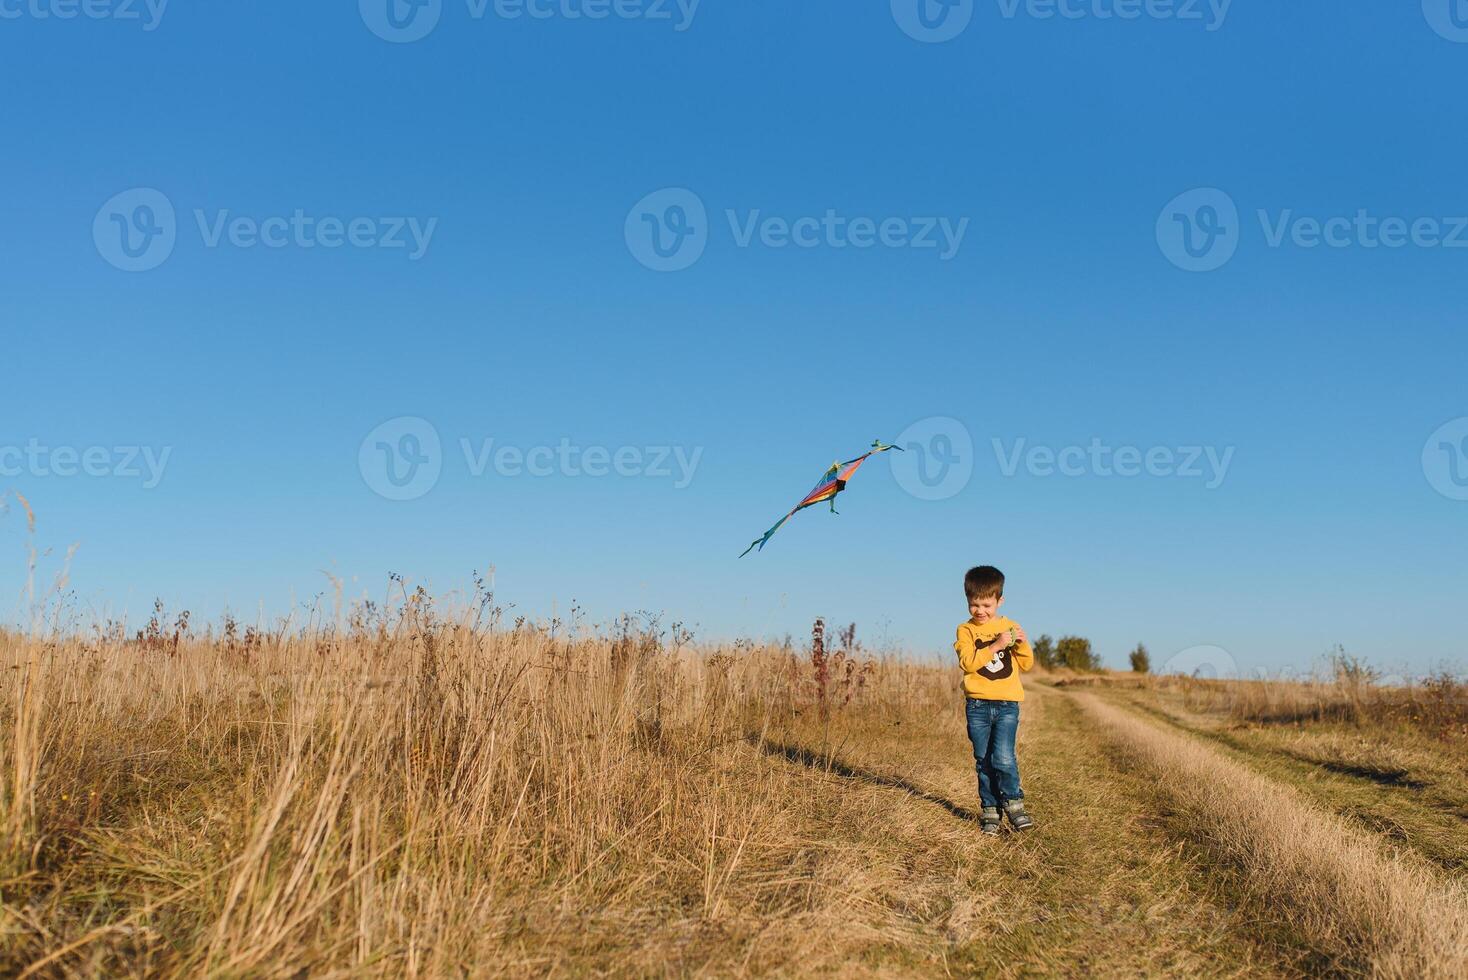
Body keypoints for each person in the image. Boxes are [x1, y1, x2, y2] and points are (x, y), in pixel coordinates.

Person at [954, 565, 1035, 835]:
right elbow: (968, 662)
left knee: (1003, 757)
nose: (980, 611)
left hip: (1006, 705)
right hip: (977, 706)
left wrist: (1019, 643)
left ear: (999, 601)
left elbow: (1027, 664)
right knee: (983, 760)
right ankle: (990, 809)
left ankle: (1014, 803)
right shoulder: (965, 631)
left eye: (987, 605)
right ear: (967, 601)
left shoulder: (1009, 626)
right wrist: (996, 646)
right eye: (974, 604)